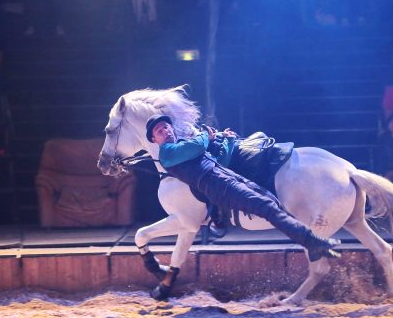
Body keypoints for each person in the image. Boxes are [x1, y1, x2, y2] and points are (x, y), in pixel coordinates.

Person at [144, 114, 339, 298]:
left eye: (166, 126)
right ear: (154, 140)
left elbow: (220, 161)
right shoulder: (168, 154)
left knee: (272, 204)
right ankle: (312, 242)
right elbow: (196, 147)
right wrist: (207, 135)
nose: (165, 131)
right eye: (159, 131)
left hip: (227, 177)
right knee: (267, 209)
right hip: (218, 186)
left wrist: (227, 140)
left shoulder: (183, 148)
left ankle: (311, 242)